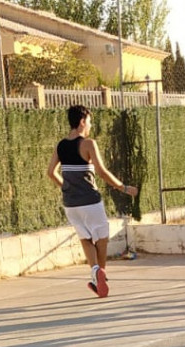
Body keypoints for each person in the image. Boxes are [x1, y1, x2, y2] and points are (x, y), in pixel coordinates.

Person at [47, 105, 137, 298]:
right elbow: (102, 173)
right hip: (90, 200)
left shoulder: (60, 145)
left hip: (70, 204)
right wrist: (124, 188)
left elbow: (50, 173)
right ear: (81, 122)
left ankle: (96, 271)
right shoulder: (88, 144)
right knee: (102, 237)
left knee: (85, 238)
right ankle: (100, 273)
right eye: (89, 121)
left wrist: (65, 187)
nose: (90, 124)